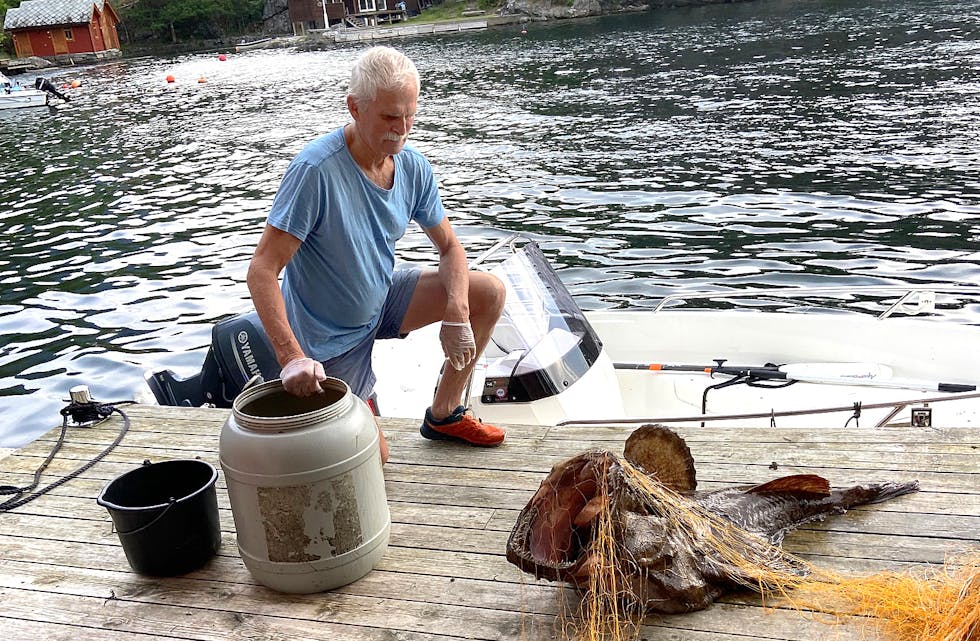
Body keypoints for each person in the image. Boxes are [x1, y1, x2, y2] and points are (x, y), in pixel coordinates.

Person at [246, 46, 507, 464]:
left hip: (381, 298)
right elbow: (262, 270)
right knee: (374, 461)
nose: (401, 130)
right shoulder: (315, 172)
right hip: (329, 340)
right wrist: (292, 357)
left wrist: (457, 313)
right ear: (354, 107)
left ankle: (445, 413)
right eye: (389, 117)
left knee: (488, 292)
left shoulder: (412, 166)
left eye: (410, 116)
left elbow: (451, 247)